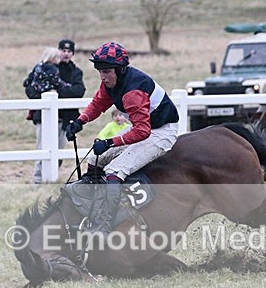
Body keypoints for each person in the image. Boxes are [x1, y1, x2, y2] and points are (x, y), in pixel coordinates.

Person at [64, 41, 179, 233]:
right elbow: (99, 103)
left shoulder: (133, 92)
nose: (103, 76)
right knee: (93, 158)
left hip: (162, 132)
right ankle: (93, 203)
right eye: (99, 71)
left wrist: (110, 142)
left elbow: (143, 131)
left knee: (114, 170)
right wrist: (80, 121)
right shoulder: (111, 82)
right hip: (145, 127)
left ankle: (106, 224)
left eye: (107, 71)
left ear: (121, 69)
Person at [25, 39, 85, 184]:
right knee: (42, 150)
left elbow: (78, 91)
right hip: (44, 117)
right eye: (63, 51)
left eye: (69, 51)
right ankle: (38, 182)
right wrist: (46, 95)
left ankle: (51, 180)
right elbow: (30, 88)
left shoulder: (76, 72)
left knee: (59, 151)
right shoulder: (42, 69)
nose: (66, 54)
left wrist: (56, 93)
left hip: (65, 118)